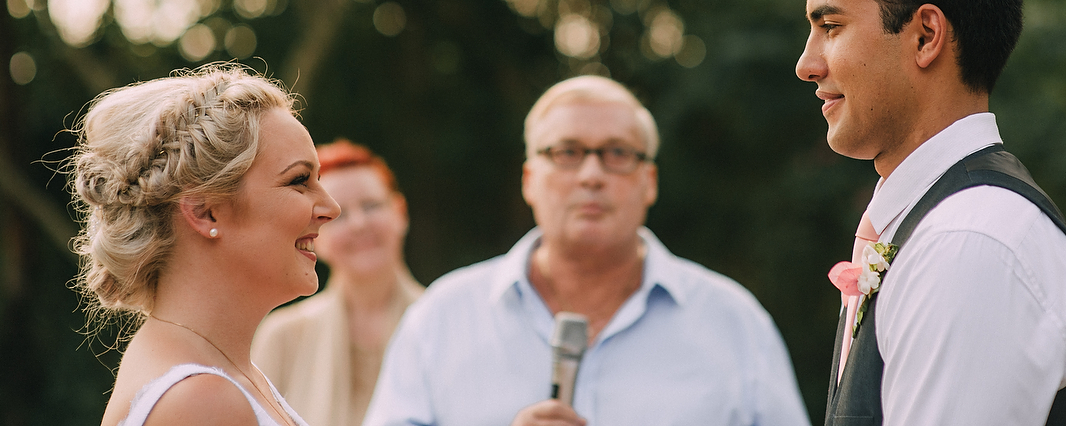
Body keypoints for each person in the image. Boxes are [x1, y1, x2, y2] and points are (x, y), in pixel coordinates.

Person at [793, 0, 1066, 425]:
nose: (807, 64)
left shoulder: (971, 241)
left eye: (832, 26)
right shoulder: (938, 226)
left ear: (926, 35)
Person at [363, 75, 810, 426]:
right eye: (568, 152)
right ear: (529, 180)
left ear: (649, 181)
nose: (592, 175)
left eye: (617, 152)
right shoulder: (443, 318)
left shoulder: (734, 324)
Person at [69, 65, 341, 426]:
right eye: (299, 180)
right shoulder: (201, 401)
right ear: (205, 212)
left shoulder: (218, 371)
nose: (331, 208)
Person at [253, 140, 425, 426]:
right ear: (313, 231)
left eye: (371, 206)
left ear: (400, 212)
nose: (359, 224)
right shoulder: (281, 337)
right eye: (340, 215)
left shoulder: (444, 320)